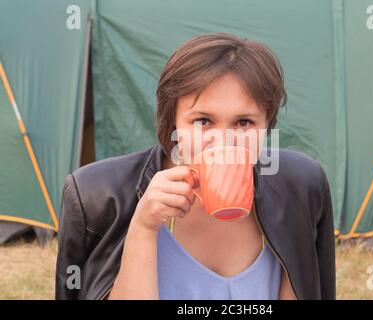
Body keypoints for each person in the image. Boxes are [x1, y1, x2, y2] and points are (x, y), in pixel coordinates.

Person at [55, 32, 335, 300]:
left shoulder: (300, 186)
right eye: (203, 121)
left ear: (267, 126)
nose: (223, 140)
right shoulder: (97, 194)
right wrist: (143, 226)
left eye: (244, 122)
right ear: (173, 120)